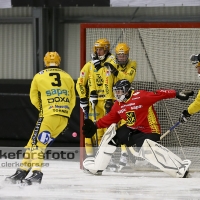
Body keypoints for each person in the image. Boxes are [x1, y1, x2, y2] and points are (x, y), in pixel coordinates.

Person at [82, 79, 194, 178]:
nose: (117, 94)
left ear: (126, 91)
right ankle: (98, 167)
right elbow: (111, 118)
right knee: (111, 139)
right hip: (132, 129)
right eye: (116, 91)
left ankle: (178, 168)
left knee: (147, 150)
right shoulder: (118, 104)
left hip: (149, 130)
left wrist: (177, 93)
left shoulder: (141, 96)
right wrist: (95, 125)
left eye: (119, 91)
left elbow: (159, 94)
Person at [5, 52, 76, 185]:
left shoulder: (39, 76)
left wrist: (45, 109)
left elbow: (33, 97)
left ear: (45, 62)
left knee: (37, 145)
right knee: (34, 144)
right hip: (64, 118)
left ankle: (37, 173)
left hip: (48, 116)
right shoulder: (68, 77)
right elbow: (72, 100)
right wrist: (64, 113)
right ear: (59, 62)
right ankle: (22, 170)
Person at [76, 38, 115, 156]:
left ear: (107, 49)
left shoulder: (112, 61)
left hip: (109, 101)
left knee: (108, 129)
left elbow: (112, 72)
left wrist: (100, 67)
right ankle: (90, 156)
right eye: (97, 49)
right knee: (91, 128)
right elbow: (80, 83)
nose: (98, 52)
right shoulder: (89, 65)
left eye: (101, 49)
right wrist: (83, 98)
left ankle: (107, 156)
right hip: (94, 102)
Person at [103, 43, 137, 170]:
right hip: (113, 99)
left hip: (127, 99)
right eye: (119, 55)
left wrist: (116, 71)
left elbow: (128, 78)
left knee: (125, 126)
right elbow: (107, 82)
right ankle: (109, 157)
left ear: (128, 55)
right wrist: (107, 99)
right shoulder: (110, 63)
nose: (122, 58)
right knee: (110, 128)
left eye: (124, 55)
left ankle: (125, 155)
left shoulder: (133, 64)